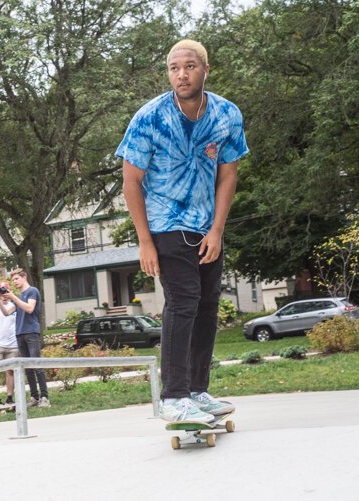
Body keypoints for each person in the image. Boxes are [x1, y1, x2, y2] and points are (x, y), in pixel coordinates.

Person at [116, 39, 248, 423]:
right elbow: (131, 182)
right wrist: (145, 241)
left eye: (189, 66)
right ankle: (174, 397)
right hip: (165, 225)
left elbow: (228, 173)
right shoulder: (149, 117)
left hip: (207, 229)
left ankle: (197, 390)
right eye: (174, 68)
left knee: (207, 308)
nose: (181, 74)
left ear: (205, 69)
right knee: (184, 301)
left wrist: (218, 229)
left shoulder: (226, 114)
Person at [0, 268, 50, 408]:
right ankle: (34, 397)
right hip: (20, 333)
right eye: (13, 280)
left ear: (24, 277)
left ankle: (45, 397)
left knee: (36, 364)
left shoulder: (32, 291)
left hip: (32, 332)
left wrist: (14, 297)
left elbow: (29, 309)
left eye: (16, 279)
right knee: (28, 368)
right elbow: (7, 313)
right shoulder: (19, 297)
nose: (14, 282)